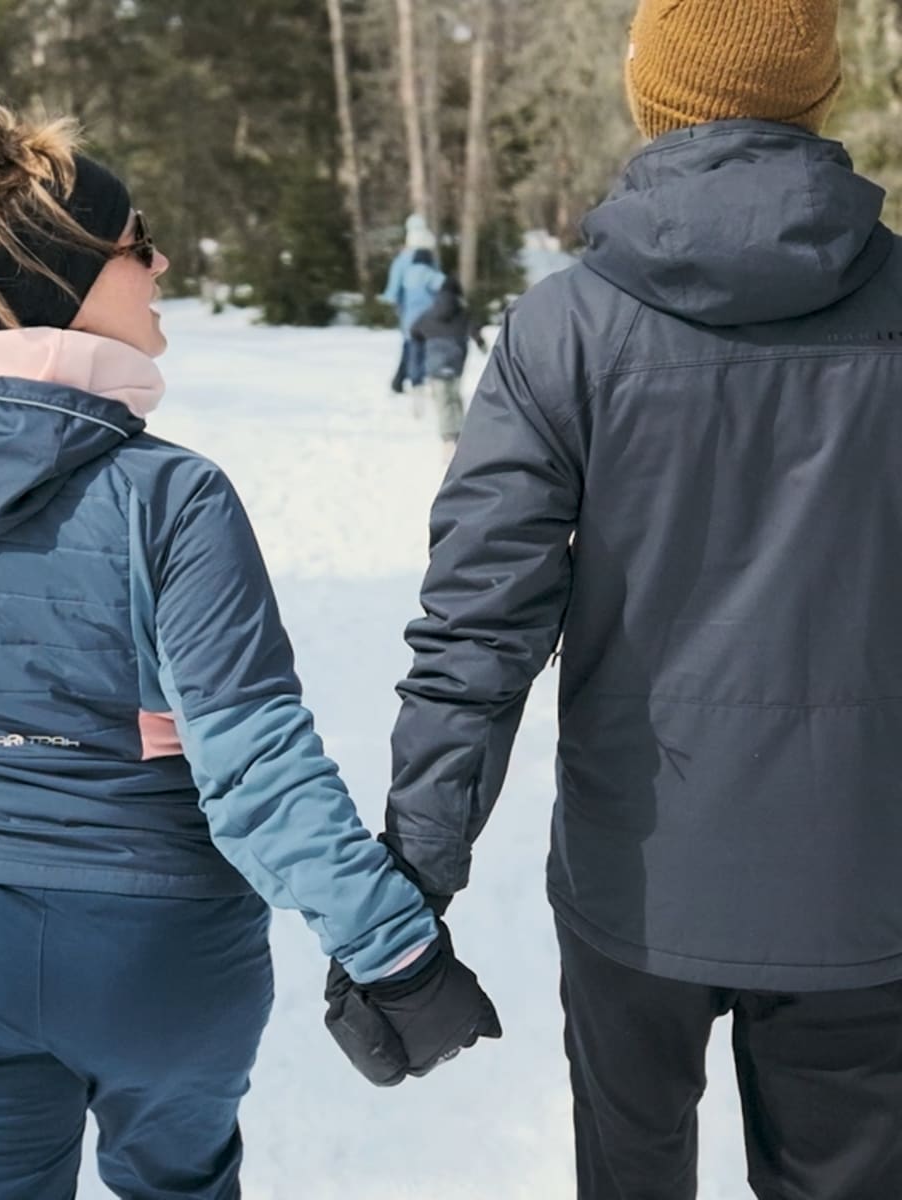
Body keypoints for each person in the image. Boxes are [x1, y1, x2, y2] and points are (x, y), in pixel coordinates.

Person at [0, 98, 499, 1200]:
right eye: (134, 241)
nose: (158, 261)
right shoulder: (173, 498)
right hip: (149, 951)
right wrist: (397, 953)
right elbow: (253, 763)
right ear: (64, 281)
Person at [349, 1, 902, 1197]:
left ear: (650, 90)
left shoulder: (564, 329)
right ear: (819, 92)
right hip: (863, 886)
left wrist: (414, 874)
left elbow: (480, 631)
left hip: (637, 884)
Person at [409, 275, 487, 457]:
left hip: (435, 361)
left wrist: (423, 341)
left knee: (442, 400)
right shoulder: (462, 313)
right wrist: (481, 343)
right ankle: (462, 434)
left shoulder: (429, 312)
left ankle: (448, 439)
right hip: (456, 360)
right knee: (454, 396)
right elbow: (475, 329)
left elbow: (414, 330)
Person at [380, 213, 437, 393]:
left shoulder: (403, 259)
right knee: (417, 345)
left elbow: (393, 289)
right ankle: (411, 379)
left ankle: (402, 380)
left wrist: (395, 302)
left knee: (411, 343)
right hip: (426, 311)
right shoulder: (428, 256)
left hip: (409, 311)